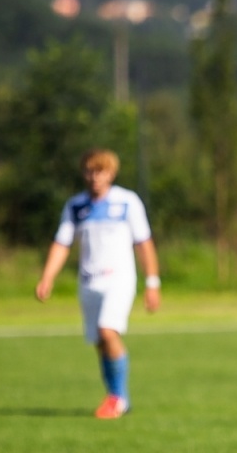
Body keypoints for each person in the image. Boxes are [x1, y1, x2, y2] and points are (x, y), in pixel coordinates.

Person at [35, 149, 161, 418]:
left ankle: (119, 398)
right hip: (88, 283)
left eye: (100, 171)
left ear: (111, 173)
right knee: (100, 342)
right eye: (89, 171)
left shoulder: (127, 202)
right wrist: (48, 277)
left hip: (119, 280)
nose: (94, 177)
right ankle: (114, 396)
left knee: (107, 331)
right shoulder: (76, 206)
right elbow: (62, 243)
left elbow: (144, 243)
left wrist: (152, 282)